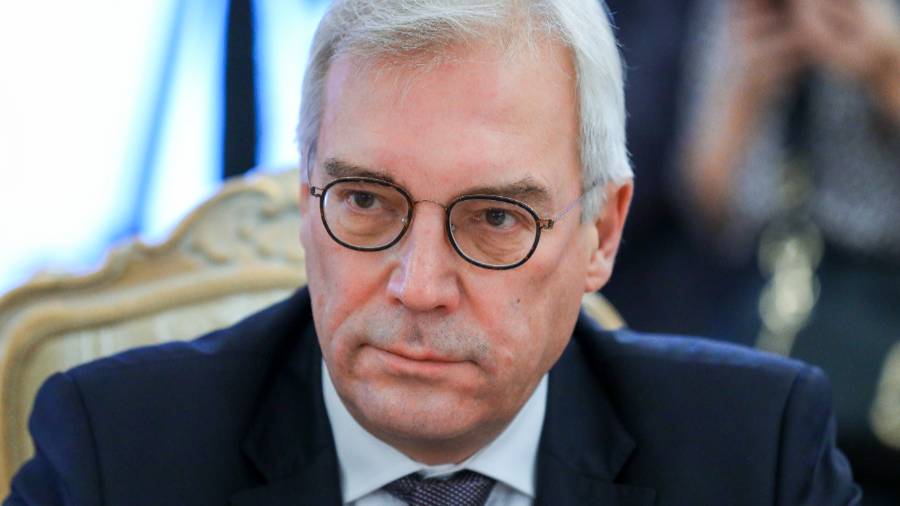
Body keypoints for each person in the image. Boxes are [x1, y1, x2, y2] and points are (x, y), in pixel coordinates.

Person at [4, 0, 860, 504]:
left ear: (600, 232)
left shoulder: (756, 455)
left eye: (494, 218)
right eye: (366, 202)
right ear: (307, 200)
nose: (419, 287)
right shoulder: (116, 452)